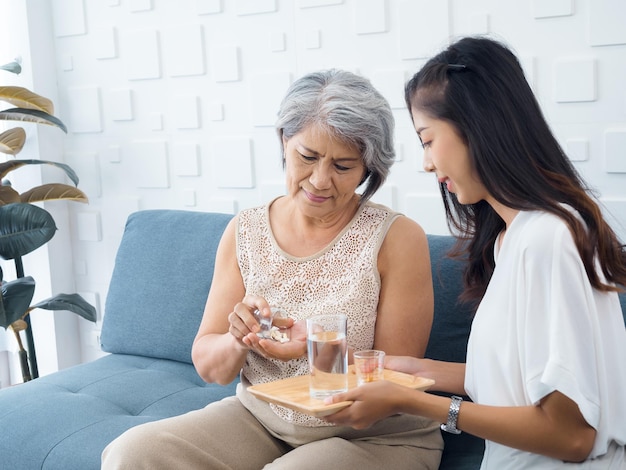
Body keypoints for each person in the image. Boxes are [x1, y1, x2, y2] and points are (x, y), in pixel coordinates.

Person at [101, 69, 443, 469]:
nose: (320, 180)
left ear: (368, 169)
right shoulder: (244, 231)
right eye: (307, 157)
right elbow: (210, 365)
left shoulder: (397, 238)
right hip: (262, 421)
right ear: (284, 140)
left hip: (372, 436)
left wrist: (318, 350)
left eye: (343, 166)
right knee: (133, 454)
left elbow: (391, 381)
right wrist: (238, 339)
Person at [324, 36, 626, 469]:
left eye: (427, 140)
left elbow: (571, 436)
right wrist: (411, 369)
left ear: (477, 127)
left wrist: (419, 404)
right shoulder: (514, 237)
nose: (427, 164)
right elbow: (519, 383)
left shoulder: (549, 239)